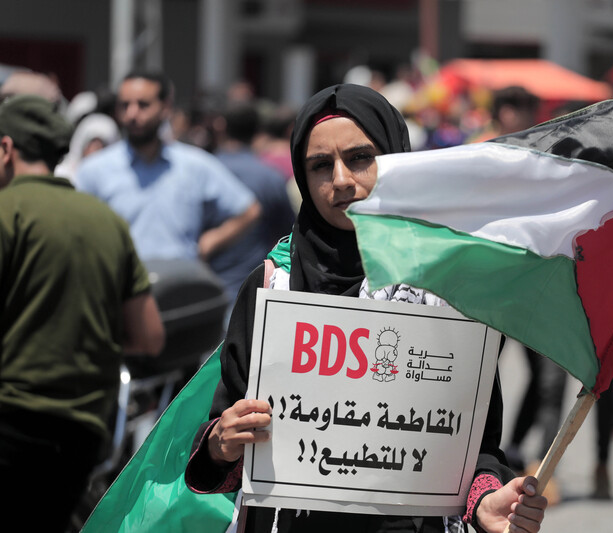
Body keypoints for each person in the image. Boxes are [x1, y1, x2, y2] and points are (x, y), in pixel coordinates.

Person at [185, 84, 548, 533]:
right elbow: (220, 443)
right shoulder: (273, 285)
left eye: (360, 158)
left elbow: (476, 446)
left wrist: (487, 500)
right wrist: (223, 442)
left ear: (396, 160)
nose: (340, 180)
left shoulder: (449, 291)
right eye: (320, 165)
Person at [0, 95, 165, 532]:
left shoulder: (6, 212)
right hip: (84, 431)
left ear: (6, 149)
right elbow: (149, 336)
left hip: (10, 417)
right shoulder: (106, 220)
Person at [76, 70, 261, 262]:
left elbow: (249, 210)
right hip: (121, 286)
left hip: (180, 285)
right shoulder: (94, 170)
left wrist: (210, 242)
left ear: (166, 108)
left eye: (143, 105)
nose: (132, 114)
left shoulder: (194, 165)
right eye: (125, 105)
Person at [210, 102, 295, 308]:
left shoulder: (204, 171)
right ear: (257, 132)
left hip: (203, 289)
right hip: (251, 292)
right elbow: (288, 236)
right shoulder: (270, 177)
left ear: (220, 127)